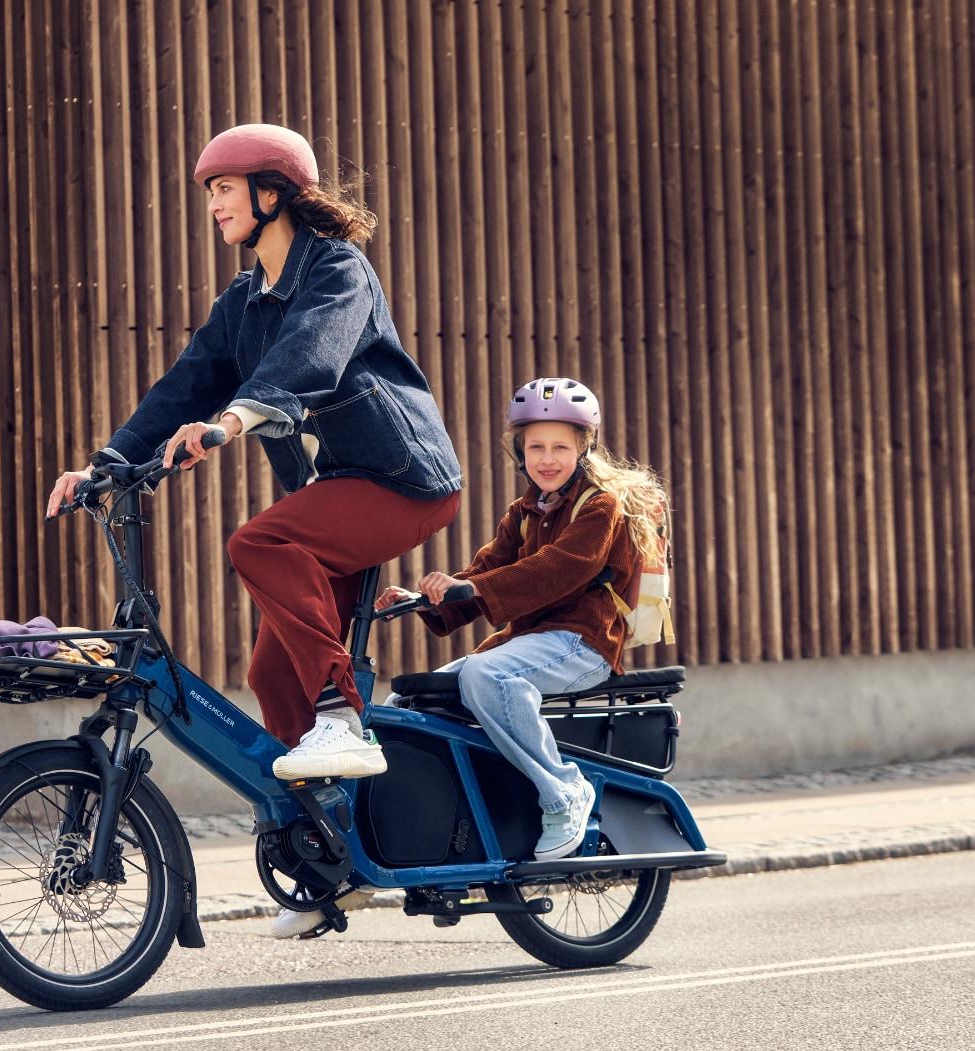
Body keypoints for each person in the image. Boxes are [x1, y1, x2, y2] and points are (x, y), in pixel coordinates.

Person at [46, 122, 462, 785]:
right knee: (269, 670)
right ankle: (329, 831)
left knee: (258, 544)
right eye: (211, 193)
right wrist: (103, 465)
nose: (214, 205)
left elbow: (313, 350)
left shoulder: (338, 268)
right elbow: (182, 387)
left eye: (224, 188)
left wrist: (233, 421)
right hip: (338, 488)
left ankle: (340, 720)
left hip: (405, 479)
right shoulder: (242, 301)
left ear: (273, 191)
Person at [379, 377, 668, 859]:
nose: (547, 458)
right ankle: (446, 833)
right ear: (520, 450)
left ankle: (563, 792)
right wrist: (427, 597)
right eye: (536, 446)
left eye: (560, 446)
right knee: (407, 705)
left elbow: (562, 569)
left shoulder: (601, 505)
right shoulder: (524, 512)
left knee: (486, 673)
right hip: (529, 644)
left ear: (584, 447)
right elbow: (488, 570)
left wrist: (474, 588)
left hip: (584, 643)